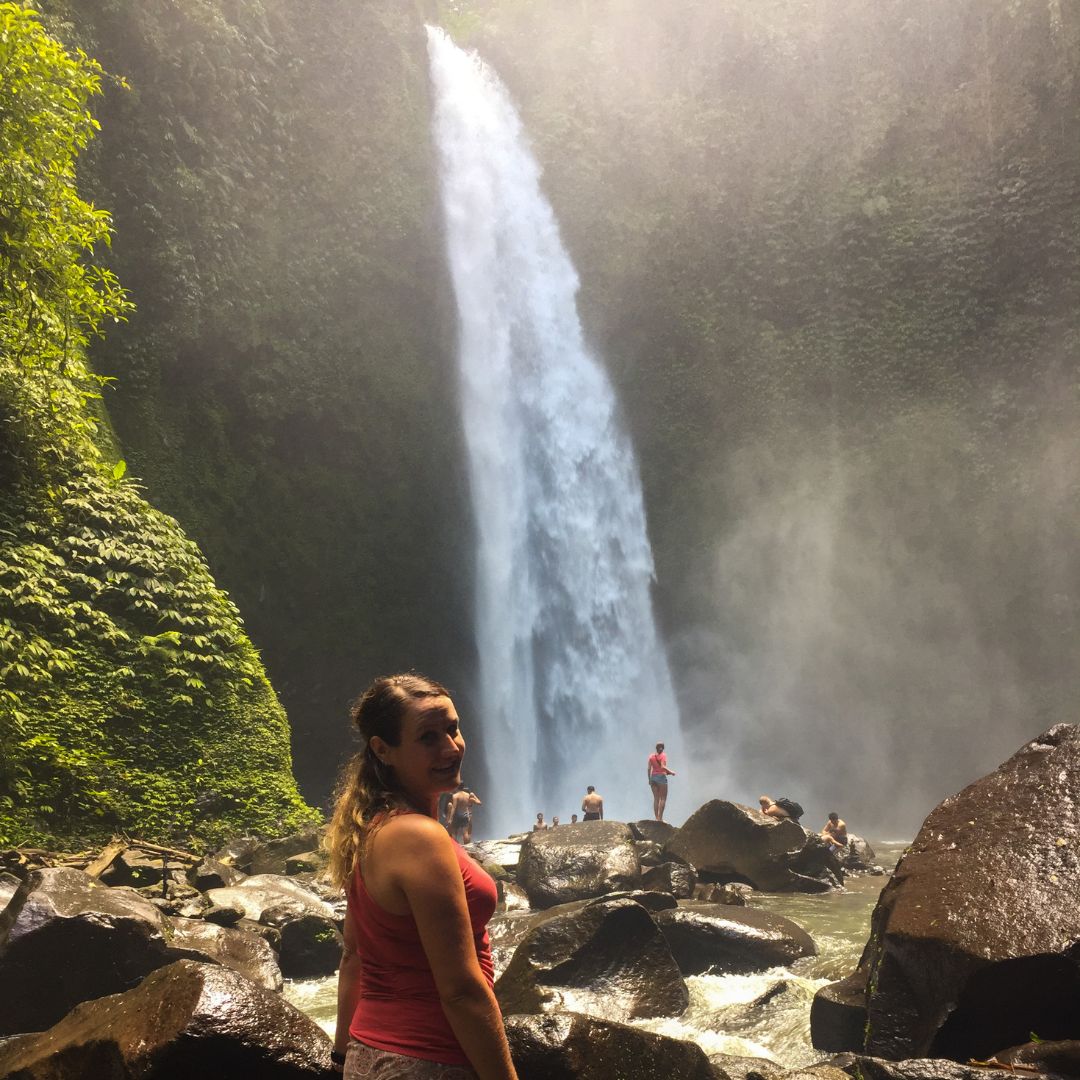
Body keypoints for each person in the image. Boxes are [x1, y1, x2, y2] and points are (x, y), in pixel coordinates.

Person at [324, 673, 518, 1080]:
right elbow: (461, 992)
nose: (451, 747)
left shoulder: (371, 829)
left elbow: (353, 956)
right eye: (428, 737)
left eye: (453, 729)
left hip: (368, 1057)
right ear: (383, 750)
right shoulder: (419, 837)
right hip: (428, 1061)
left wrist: (341, 1057)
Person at [647, 743, 675, 821]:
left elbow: (649, 768)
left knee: (656, 798)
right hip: (661, 778)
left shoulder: (651, 756)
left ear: (656, 748)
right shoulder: (663, 755)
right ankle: (660, 819)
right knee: (663, 798)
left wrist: (649, 779)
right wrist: (671, 772)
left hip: (653, 778)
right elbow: (663, 766)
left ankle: (656, 818)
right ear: (663, 748)